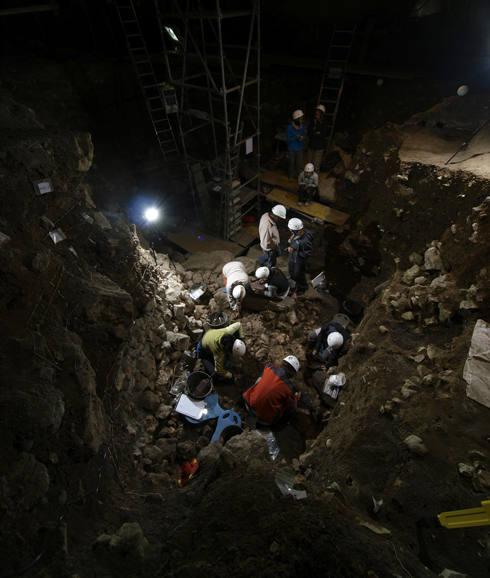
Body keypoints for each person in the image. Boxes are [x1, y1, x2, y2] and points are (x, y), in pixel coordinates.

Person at [242, 355, 301, 426]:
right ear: (293, 373)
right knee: (289, 406)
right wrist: (296, 398)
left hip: (248, 404)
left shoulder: (269, 367)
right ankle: (277, 428)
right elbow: (292, 408)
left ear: (283, 363)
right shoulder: (290, 389)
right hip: (263, 419)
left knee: (260, 380)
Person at [287, 218, 313, 295]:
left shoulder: (305, 241)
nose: (290, 230)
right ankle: (293, 281)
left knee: (298, 274)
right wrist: (292, 238)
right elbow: (296, 238)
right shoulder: (301, 232)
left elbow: (307, 253)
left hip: (299, 258)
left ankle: (302, 287)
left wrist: (295, 250)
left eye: (291, 230)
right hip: (293, 256)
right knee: (291, 270)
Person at [258, 204, 286, 268]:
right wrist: (275, 247)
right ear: (276, 216)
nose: (279, 219)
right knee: (271, 262)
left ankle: (264, 260)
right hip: (269, 248)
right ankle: (267, 268)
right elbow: (267, 243)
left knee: (272, 256)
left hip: (270, 246)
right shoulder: (268, 226)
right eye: (279, 218)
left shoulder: (266, 215)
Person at [307, 104, 328, 171]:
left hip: (319, 147)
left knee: (316, 165)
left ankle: (314, 179)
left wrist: (315, 133)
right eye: (316, 112)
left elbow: (323, 134)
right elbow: (309, 133)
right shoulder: (312, 122)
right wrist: (316, 133)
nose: (316, 113)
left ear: (321, 114)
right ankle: (308, 179)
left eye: (318, 112)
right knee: (309, 164)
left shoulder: (324, 123)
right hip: (311, 145)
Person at [287, 109, 306, 179]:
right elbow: (288, 139)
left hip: (299, 148)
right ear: (296, 119)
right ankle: (290, 177)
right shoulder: (289, 127)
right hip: (291, 148)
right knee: (291, 163)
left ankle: (300, 177)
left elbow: (303, 135)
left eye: (302, 118)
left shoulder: (302, 126)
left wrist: (302, 137)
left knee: (299, 164)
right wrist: (296, 137)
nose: (301, 120)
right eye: (300, 119)